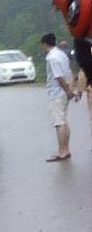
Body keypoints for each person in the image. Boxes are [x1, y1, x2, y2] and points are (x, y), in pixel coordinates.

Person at [40, 33, 76, 162]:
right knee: (64, 121)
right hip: (64, 93)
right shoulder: (62, 55)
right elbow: (69, 72)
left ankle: (62, 151)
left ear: (45, 44)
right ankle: (66, 149)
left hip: (56, 93)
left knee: (59, 123)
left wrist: (68, 91)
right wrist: (70, 89)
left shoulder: (52, 58)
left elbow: (59, 77)